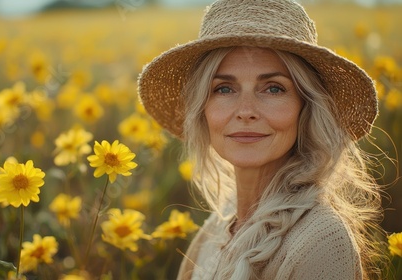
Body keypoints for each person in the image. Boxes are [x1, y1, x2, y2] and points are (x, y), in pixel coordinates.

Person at [138, 0, 384, 279]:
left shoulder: (322, 240)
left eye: (274, 89)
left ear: (306, 108)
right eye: (225, 88)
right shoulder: (220, 224)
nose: (245, 112)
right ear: (202, 109)